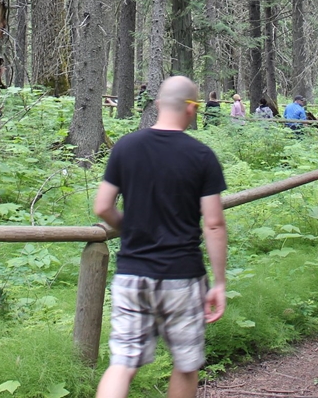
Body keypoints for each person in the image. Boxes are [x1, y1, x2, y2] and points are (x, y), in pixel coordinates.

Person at [94, 76, 228, 398]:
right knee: (185, 364)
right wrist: (219, 283)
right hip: (182, 276)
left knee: (123, 363)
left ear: (157, 105)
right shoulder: (201, 155)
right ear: (192, 108)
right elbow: (213, 224)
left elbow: (102, 207)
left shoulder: (126, 146)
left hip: (132, 275)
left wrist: (132, 227)